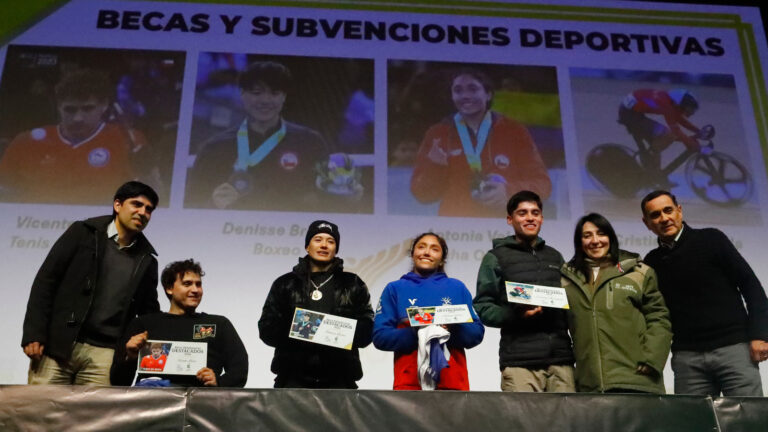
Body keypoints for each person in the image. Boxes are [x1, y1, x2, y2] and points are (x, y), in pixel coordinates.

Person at [21, 181, 160, 385]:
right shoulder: (83, 233)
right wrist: (34, 333)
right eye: (136, 204)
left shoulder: (147, 259)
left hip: (106, 354)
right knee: (42, 413)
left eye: (149, 210)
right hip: (59, 345)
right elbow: (46, 282)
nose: (142, 212)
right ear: (118, 205)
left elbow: (148, 313)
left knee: (94, 417)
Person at [185, 61, 362, 212]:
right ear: (242, 95)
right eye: (257, 93)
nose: (265, 100)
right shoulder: (215, 147)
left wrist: (349, 199)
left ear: (284, 97)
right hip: (231, 242)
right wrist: (212, 204)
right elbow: (190, 210)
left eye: (274, 93)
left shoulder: (310, 143)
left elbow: (330, 204)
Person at [641, 190, 768, 396]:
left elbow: (751, 286)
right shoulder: (651, 262)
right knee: (694, 424)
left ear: (679, 211)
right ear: (646, 222)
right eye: (655, 215)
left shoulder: (712, 239)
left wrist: (760, 335)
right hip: (687, 358)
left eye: (668, 210)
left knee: (747, 422)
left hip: (734, 349)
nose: (664, 218)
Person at [410, 68, 551, 217]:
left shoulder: (514, 131)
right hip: (456, 229)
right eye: (458, 90)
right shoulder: (438, 134)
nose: (465, 95)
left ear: (488, 94)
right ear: (452, 96)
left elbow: (543, 185)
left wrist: (510, 192)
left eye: (473, 89)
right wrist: (435, 167)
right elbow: (422, 195)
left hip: (503, 228)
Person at [473, 190, 575, 392]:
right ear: (510, 219)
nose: (530, 218)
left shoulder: (555, 257)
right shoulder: (495, 257)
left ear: (542, 218)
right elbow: (483, 306)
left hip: (561, 360)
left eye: (535, 213)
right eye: (523, 213)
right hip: (520, 361)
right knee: (523, 424)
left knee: (566, 423)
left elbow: (569, 303)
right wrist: (515, 315)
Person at [561, 213, 672, 393]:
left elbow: (659, 319)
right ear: (579, 242)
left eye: (601, 234)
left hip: (638, 381)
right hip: (590, 386)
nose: (595, 241)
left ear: (610, 238)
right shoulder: (566, 280)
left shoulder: (639, 272)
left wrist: (652, 361)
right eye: (587, 236)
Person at [0, 69, 143, 204]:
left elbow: (148, 195)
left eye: (87, 109)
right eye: (70, 110)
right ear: (58, 107)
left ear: (104, 105)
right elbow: (5, 195)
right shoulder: (25, 142)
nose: (78, 118)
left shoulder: (130, 140)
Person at [258, 220, 374, 388]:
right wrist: (304, 328)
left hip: (341, 378)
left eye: (330, 241)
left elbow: (367, 332)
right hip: (292, 377)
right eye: (318, 239)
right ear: (307, 246)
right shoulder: (285, 283)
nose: (324, 245)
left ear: (336, 249)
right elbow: (267, 329)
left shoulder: (353, 283)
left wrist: (334, 332)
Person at [373, 233, 484, 390]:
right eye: (421, 247)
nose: (426, 252)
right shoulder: (395, 289)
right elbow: (380, 337)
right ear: (412, 254)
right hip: (409, 385)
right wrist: (417, 332)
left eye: (434, 249)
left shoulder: (456, 287)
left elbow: (476, 334)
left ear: (442, 259)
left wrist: (450, 329)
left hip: (452, 384)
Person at [111, 259, 248, 387]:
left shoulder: (219, 324)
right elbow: (118, 382)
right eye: (187, 284)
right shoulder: (144, 324)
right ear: (169, 288)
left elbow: (240, 370)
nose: (195, 290)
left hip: (203, 404)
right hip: (153, 404)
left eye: (198, 284)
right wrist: (130, 358)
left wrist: (219, 381)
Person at [618, 88, 714, 187]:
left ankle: (655, 172)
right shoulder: (666, 105)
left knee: (662, 141)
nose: (690, 112)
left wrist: (698, 131)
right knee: (668, 135)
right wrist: (696, 146)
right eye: (689, 108)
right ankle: (649, 161)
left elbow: (679, 119)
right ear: (680, 104)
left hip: (633, 113)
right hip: (629, 116)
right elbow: (676, 130)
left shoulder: (670, 101)